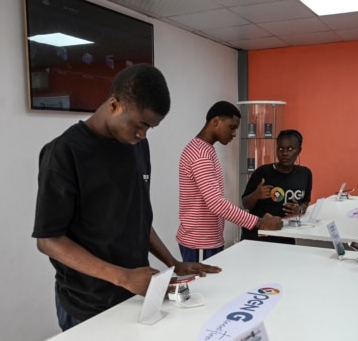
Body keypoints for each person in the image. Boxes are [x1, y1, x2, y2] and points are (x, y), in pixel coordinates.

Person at [32, 64, 221, 332]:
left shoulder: (137, 146)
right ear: (114, 105)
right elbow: (49, 240)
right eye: (140, 125)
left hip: (134, 294)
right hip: (87, 303)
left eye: (149, 129)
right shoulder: (64, 153)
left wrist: (173, 263)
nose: (143, 135)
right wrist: (122, 277)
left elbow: (138, 218)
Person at [177, 101, 283, 262]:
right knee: (202, 286)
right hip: (200, 242)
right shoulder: (200, 154)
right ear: (216, 121)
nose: (234, 133)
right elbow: (216, 203)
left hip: (206, 240)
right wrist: (259, 222)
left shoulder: (204, 149)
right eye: (232, 127)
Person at [241, 129, 312, 244]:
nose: (284, 153)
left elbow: (305, 202)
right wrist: (256, 195)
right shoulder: (262, 172)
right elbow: (245, 203)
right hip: (257, 236)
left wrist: (299, 209)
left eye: (290, 149)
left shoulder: (305, 174)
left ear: (299, 150)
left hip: (285, 235)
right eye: (280, 148)